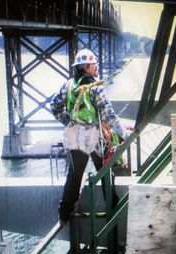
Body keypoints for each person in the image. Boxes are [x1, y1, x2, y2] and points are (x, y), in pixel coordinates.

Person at [50, 48, 131, 224]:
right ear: (86, 67)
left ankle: (64, 214)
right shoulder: (96, 88)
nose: (96, 68)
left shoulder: (68, 85)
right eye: (94, 65)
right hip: (94, 136)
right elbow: (109, 116)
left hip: (76, 137)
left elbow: (54, 106)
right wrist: (124, 134)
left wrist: (68, 122)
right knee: (104, 172)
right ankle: (113, 209)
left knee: (74, 176)